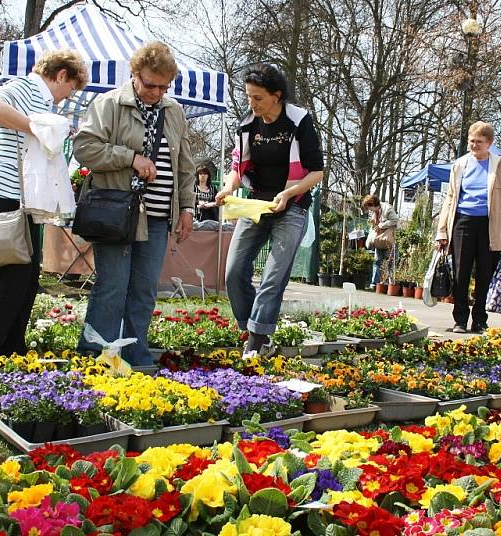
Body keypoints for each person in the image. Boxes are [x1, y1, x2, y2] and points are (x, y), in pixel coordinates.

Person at [74, 42, 195, 365]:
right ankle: (96, 352)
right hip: (117, 213)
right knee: (112, 286)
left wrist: (186, 208)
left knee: (144, 290)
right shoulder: (110, 103)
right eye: (149, 84)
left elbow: (185, 165)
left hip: (157, 218)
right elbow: (84, 148)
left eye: (163, 86)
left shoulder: (174, 111)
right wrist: (130, 158)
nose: (156, 91)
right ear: (134, 74)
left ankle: (134, 351)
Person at [0, 50, 88, 359]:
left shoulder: (42, 98)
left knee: (26, 282)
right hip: (4, 195)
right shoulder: (25, 86)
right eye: (69, 90)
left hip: (23, 200)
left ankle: (12, 348)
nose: (66, 99)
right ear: (61, 75)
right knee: (9, 281)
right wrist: (36, 127)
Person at [214, 63, 324, 357]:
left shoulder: (298, 121)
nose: (252, 103)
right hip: (256, 204)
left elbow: (317, 172)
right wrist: (228, 188)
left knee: (273, 275)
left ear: (277, 95)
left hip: (292, 206)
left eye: (258, 98)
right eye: (249, 96)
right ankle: (250, 328)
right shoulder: (249, 122)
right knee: (234, 271)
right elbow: (238, 166)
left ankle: (258, 338)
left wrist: (288, 193)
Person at [435, 121, 501, 333]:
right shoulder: (460, 164)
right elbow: (450, 198)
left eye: (479, 142)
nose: (474, 145)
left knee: (485, 273)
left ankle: (480, 319)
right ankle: (460, 319)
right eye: (471, 141)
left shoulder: (500, 165)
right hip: (462, 222)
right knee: (461, 273)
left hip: (491, 225)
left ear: (489, 143)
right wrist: (442, 231)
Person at [360, 194, 398, 289]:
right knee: (377, 262)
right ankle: (374, 284)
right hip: (379, 241)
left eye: (369, 208)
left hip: (389, 240)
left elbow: (395, 220)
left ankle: (391, 285)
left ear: (373, 204)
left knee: (391, 263)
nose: (369, 210)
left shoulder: (387, 208)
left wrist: (381, 225)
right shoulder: (374, 213)